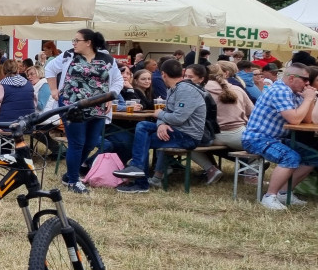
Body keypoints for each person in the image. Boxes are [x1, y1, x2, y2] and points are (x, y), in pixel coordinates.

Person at [45, 29, 123, 195]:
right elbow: (50, 69)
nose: (73, 43)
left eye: (76, 40)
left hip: (98, 106)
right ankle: (73, 180)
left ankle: (69, 175)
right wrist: (53, 89)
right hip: (72, 105)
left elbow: (117, 80)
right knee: (77, 142)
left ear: (88, 42)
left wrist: (110, 97)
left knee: (91, 142)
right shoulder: (69, 55)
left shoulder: (107, 59)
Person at [113, 59, 208, 192]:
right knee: (142, 125)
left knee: (142, 139)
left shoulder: (186, 90)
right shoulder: (174, 89)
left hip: (188, 136)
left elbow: (178, 118)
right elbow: (166, 113)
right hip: (175, 129)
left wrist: (160, 116)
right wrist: (161, 123)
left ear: (163, 74)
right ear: (182, 72)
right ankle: (137, 170)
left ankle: (140, 179)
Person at [241, 62, 318, 210]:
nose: (308, 83)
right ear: (291, 78)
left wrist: (310, 99)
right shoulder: (280, 91)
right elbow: (294, 119)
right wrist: (308, 99)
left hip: (276, 138)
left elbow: (306, 120)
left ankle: (284, 192)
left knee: (313, 157)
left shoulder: (295, 93)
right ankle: (269, 196)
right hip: (256, 138)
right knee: (290, 157)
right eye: (305, 79)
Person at [187, 63, 253, 184]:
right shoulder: (237, 89)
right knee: (261, 145)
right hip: (238, 135)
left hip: (211, 135)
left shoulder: (199, 90)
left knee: (186, 142)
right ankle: (250, 175)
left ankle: (211, 169)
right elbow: (252, 113)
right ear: (225, 74)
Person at [0, 59, 35, 124]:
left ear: (3, 71)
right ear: (17, 70)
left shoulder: (1, 86)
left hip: (6, 125)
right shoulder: (29, 84)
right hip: (28, 125)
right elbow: (34, 104)